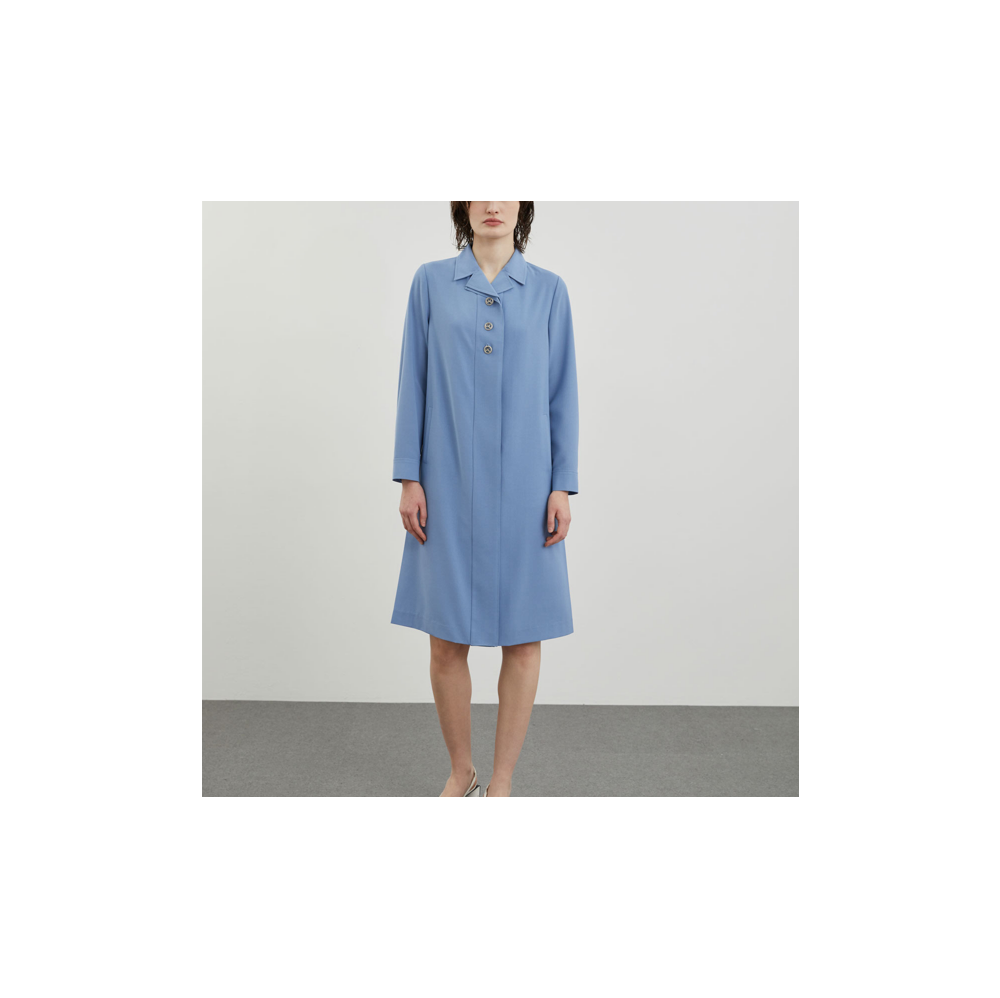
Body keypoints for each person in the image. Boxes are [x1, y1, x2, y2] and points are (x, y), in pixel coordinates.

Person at [391, 202, 579, 798]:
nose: (493, 204)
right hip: (446, 486)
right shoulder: (430, 283)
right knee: (446, 637)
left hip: (528, 490)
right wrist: (409, 476)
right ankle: (461, 771)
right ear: (462, 206)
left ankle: (500, 783)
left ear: (522, 207)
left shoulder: (549, 291)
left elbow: (562, 392)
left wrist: (562, 484)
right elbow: (413, 379)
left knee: (523, 637)